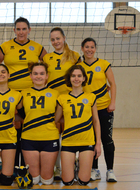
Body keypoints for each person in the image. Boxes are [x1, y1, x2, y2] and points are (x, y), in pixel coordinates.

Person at [0, 17, 47, 171]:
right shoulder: (5, 46)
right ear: (14, 30)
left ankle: (26, 166)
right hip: (10, 95)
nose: (21, 32)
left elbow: (48, 67)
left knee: (27, 127)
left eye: (24, 29)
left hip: (30, 95)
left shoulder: (37, 47)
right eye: (18, 29)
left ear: (29, 30)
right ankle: (11, 166)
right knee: (12, 128)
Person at [43, 27, 81, 179]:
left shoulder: (75, 56)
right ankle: (58, 167)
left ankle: (74, 164)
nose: (55, 42)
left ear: (64, 38)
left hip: (70, 100)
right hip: (53, 100)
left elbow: (81, 76)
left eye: (58, 38)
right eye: (52, 39)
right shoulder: (46, 58)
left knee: (72, 133)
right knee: (55, 134)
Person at [55, 65, 101, 186]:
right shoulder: (62, 98)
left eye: (79, 76)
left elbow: (96, 121)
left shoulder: (91, 97)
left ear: (84, 78)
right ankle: (73, 165)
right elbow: (56, 119)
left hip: (87, 141)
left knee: (83, 181)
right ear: (69, 79)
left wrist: (98, 143)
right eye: (73, 76)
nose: (76, 78)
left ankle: (79, 164)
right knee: (67, 182)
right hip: (68, 141)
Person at [79, 37, 117, 182]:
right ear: (82, 48)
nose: (89, 49)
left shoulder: (103, 64)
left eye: (92, 47)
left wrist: (112, 102)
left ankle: (110, 170)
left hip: (104, 106)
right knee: (91, 139)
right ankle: (94, 170)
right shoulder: (78, 65)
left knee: (107, 139)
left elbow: (112, 84)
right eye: (87, 47)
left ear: (95, 49)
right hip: (86, 109)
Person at [20, 62, 60, 185]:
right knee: (34, 180)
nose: (39, 76)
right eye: (35, 73)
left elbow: (58, 118)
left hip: (49, 138)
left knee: (47, 181)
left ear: (47, 76)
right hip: (29, 139)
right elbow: (19, 114)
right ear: (30, 76)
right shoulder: (22, 94)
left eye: (42, 74)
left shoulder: (56, 94)